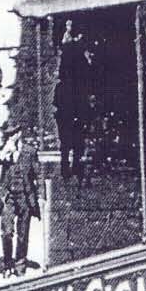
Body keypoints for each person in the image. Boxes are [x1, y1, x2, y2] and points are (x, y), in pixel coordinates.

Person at [0, 119, 43, 277]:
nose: (10, 137)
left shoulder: (29, 151)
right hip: (8, 196)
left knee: (23, 233)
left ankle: (20, 263)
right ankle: (7, 263)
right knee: (6, 231)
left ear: (19, 134)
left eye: (13, 134)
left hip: (25, 196)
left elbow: (38, 174)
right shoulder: (2, 150)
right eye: (7, 134)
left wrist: (41, 195)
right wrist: (3, 153)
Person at [53, 19, 92, 182]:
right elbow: (88, 74)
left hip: (65, 100)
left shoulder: (66, 50)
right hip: (79, 98)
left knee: (65, 138)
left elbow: (61, 74)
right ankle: (76, 164)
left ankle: (64, 166)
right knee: (79, 136)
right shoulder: (82, 51)